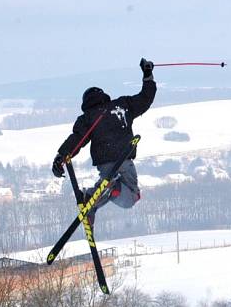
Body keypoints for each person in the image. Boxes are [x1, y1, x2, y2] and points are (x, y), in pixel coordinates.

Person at [52, 58, 157, 220]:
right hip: (124, 158)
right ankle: (109, 187)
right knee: (131, 198)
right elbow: (145, 98)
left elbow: (77, 139)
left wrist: (61, 157)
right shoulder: (122, 105)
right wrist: (148, 75)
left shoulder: (88, 118)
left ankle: (92, 201)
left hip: (105, 164)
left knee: (107, 188)